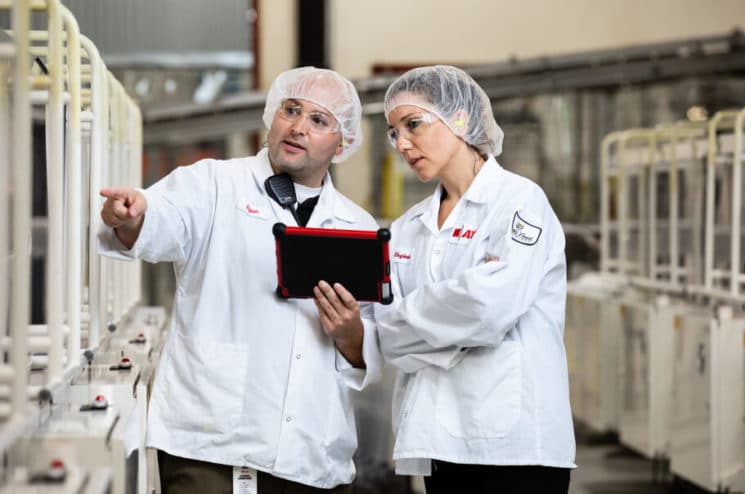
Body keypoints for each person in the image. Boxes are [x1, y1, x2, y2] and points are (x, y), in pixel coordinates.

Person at [99, 67, 382, 494]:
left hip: (311, 455)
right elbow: (161, 220)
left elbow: (372, 345)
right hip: (211, 447)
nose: (299, 127)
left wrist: (350, 334)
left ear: (341, 143)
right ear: (273, 115)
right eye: (291, 110)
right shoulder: (213, 184)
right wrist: (132, 217)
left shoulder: (357, 227)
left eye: (318, 120)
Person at [373, 65, 575, 493]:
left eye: (413, 125)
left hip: (519, 446)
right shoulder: (409, 227)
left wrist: (407, 326)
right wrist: (430, 321)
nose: (402, 144)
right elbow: (383, 328)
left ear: (460, 118)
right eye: (394, 133)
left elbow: (488, 308)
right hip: (442, 440)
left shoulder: (520, 202)